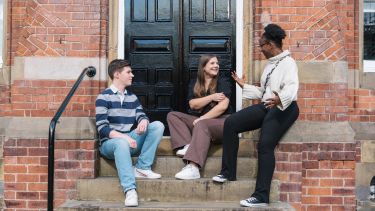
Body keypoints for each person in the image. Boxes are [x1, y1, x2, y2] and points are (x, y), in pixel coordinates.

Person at [212, 24, 299, 207]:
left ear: (270, 45)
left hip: (285, 107)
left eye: (261, 45)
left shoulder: (288, 63)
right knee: (232, 123)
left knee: (265, 144)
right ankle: (228, 172)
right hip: (268, 104)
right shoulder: (270, 65)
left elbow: (291, 88)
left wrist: (279, 99)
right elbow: (264, 92)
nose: (260, 49)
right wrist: (244, 86)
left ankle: (261, 196)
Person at [95, 59, 164, 207]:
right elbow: (103, 129)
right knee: (120, 143)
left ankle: (143, 167)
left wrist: (143, 121)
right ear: (117, 74)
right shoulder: (103, 97)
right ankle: (130, 190)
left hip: (129, 141)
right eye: (128, 72)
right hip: (110, 144)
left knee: (157, 125)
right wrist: (124, 137)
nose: (132, 75)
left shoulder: (132, 97)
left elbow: (141, 114)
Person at [167, 55, 232, 180]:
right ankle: (187, 145)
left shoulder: (223, 82)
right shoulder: (195, 83)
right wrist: (211, 97)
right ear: (203, 67)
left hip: (222, 123)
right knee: (173, 115)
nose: (216, 66)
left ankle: (193, 167)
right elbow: (193, 104)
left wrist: (203, 119)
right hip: (201, 123)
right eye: (212, 63)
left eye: (217, 63)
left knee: (202, 124)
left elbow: (222, 107)